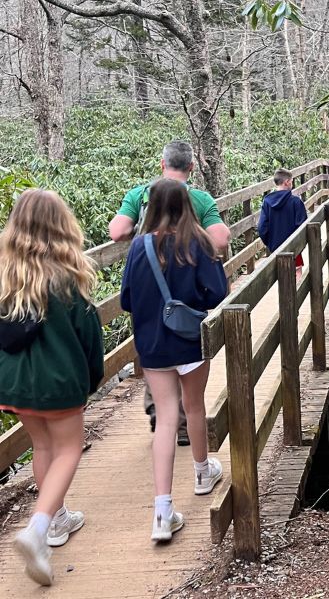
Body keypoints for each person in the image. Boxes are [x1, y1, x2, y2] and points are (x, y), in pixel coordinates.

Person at [0, 189, 104, 586]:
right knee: (68, 449)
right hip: (57, 381)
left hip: (14, 385)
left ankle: (56, 519)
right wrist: (90, 379)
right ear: (61, 226)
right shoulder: (68, 276)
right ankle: (38, 530)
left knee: (43, 448)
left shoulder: (7, 274)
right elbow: (89, 336)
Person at [120, 178, 227, 542]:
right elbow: (218, 292)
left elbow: (126, 299)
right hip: (190, 341)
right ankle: (202, 472)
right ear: (187, 206)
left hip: (152, 344)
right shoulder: (197, 243)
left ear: (150, 208)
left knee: (167, 419)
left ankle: (162, 512)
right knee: (194, 407)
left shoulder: (138, 247)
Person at [110, 140, 230, 444]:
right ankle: (185, 431)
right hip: (185, 296)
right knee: (186, 360)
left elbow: (117, 231)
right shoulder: (200, 199)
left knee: (159, 356)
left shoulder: (139, 195)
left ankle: (164, 417)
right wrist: (193, 241)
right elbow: (221, 239)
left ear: (162, 165)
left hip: (148, 293)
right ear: (191, 167)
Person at [258, 168, 308, 276]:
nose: (292, 184)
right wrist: (299, 245)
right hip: (294, 246)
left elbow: (262, 228)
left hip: (275, 248)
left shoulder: (266, 202)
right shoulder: (296, 202)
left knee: (281, 276)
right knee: (297, 272)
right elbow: (303, 225)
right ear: (287, 182)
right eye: (292, 181)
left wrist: (271, 243)